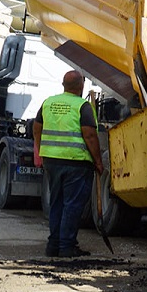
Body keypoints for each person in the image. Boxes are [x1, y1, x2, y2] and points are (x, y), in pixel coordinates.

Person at [32, 71, 103, 258]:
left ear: (63, 85)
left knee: (57, 203)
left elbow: (36, 128)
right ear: (81, 86)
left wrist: (40, 151)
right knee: (72, 205)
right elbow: (89, 135)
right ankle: (66, 247)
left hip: (52, 162)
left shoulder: (48, 102)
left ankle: (53, 246)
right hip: (76, 162)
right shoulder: (82, 106)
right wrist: (98, 161)